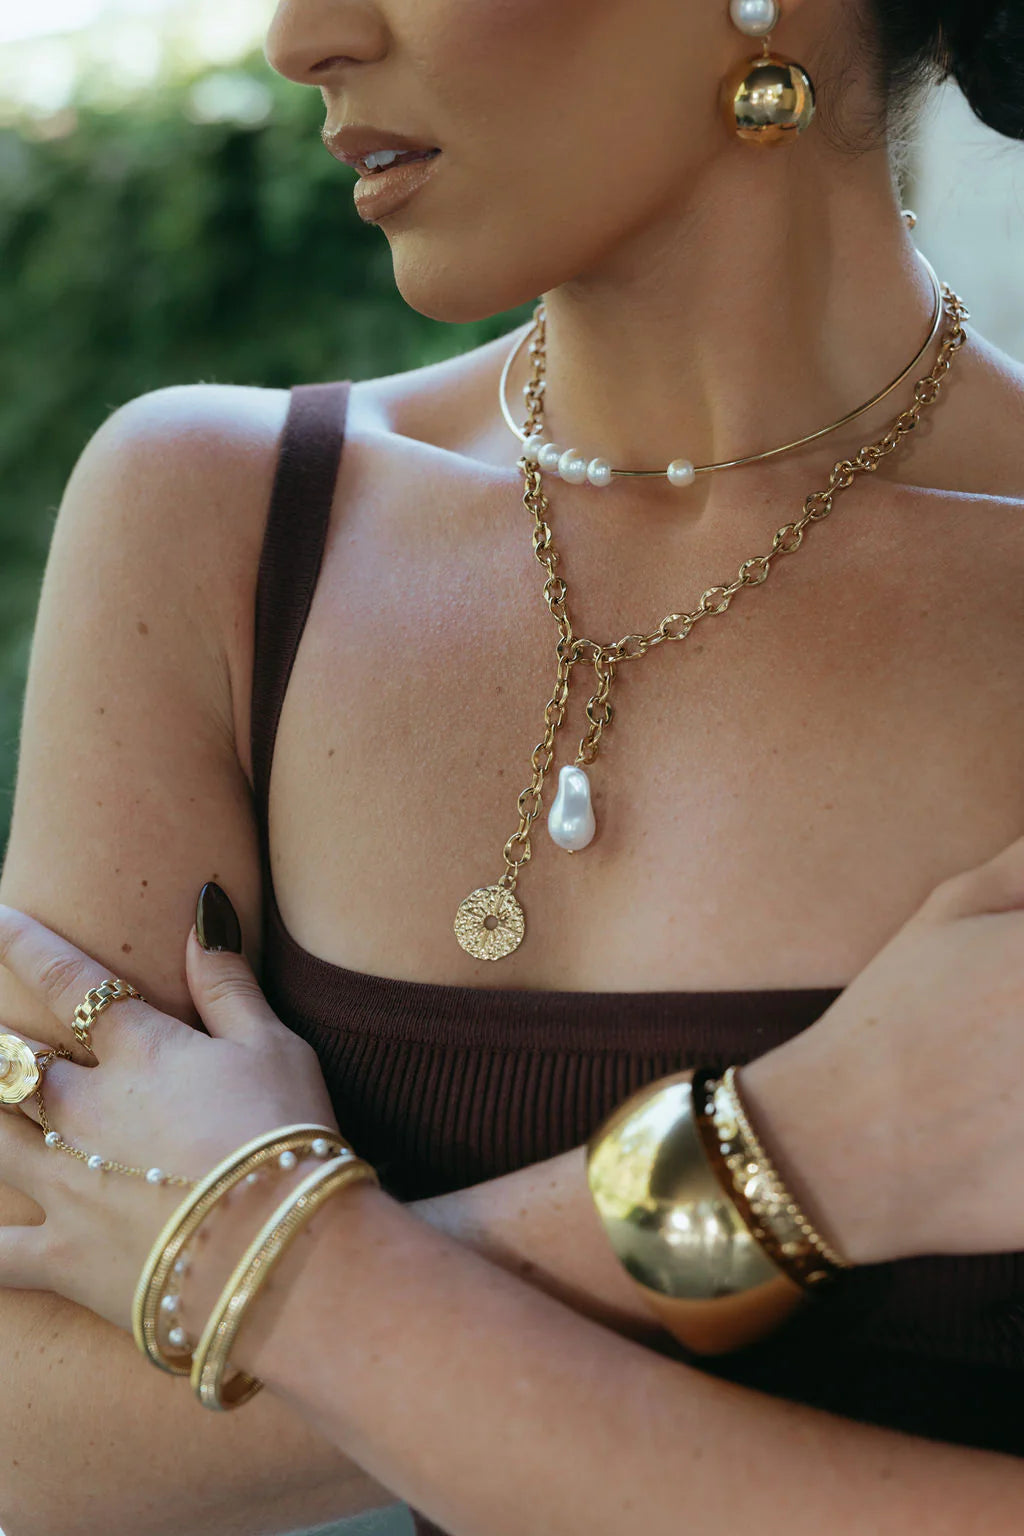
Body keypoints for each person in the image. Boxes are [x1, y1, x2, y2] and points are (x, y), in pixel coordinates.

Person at [0, 0, 1022, 1533]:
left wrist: (284, 1264)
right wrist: (772, 1169)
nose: (301, 37)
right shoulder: (221, 526)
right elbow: (34, 1428)